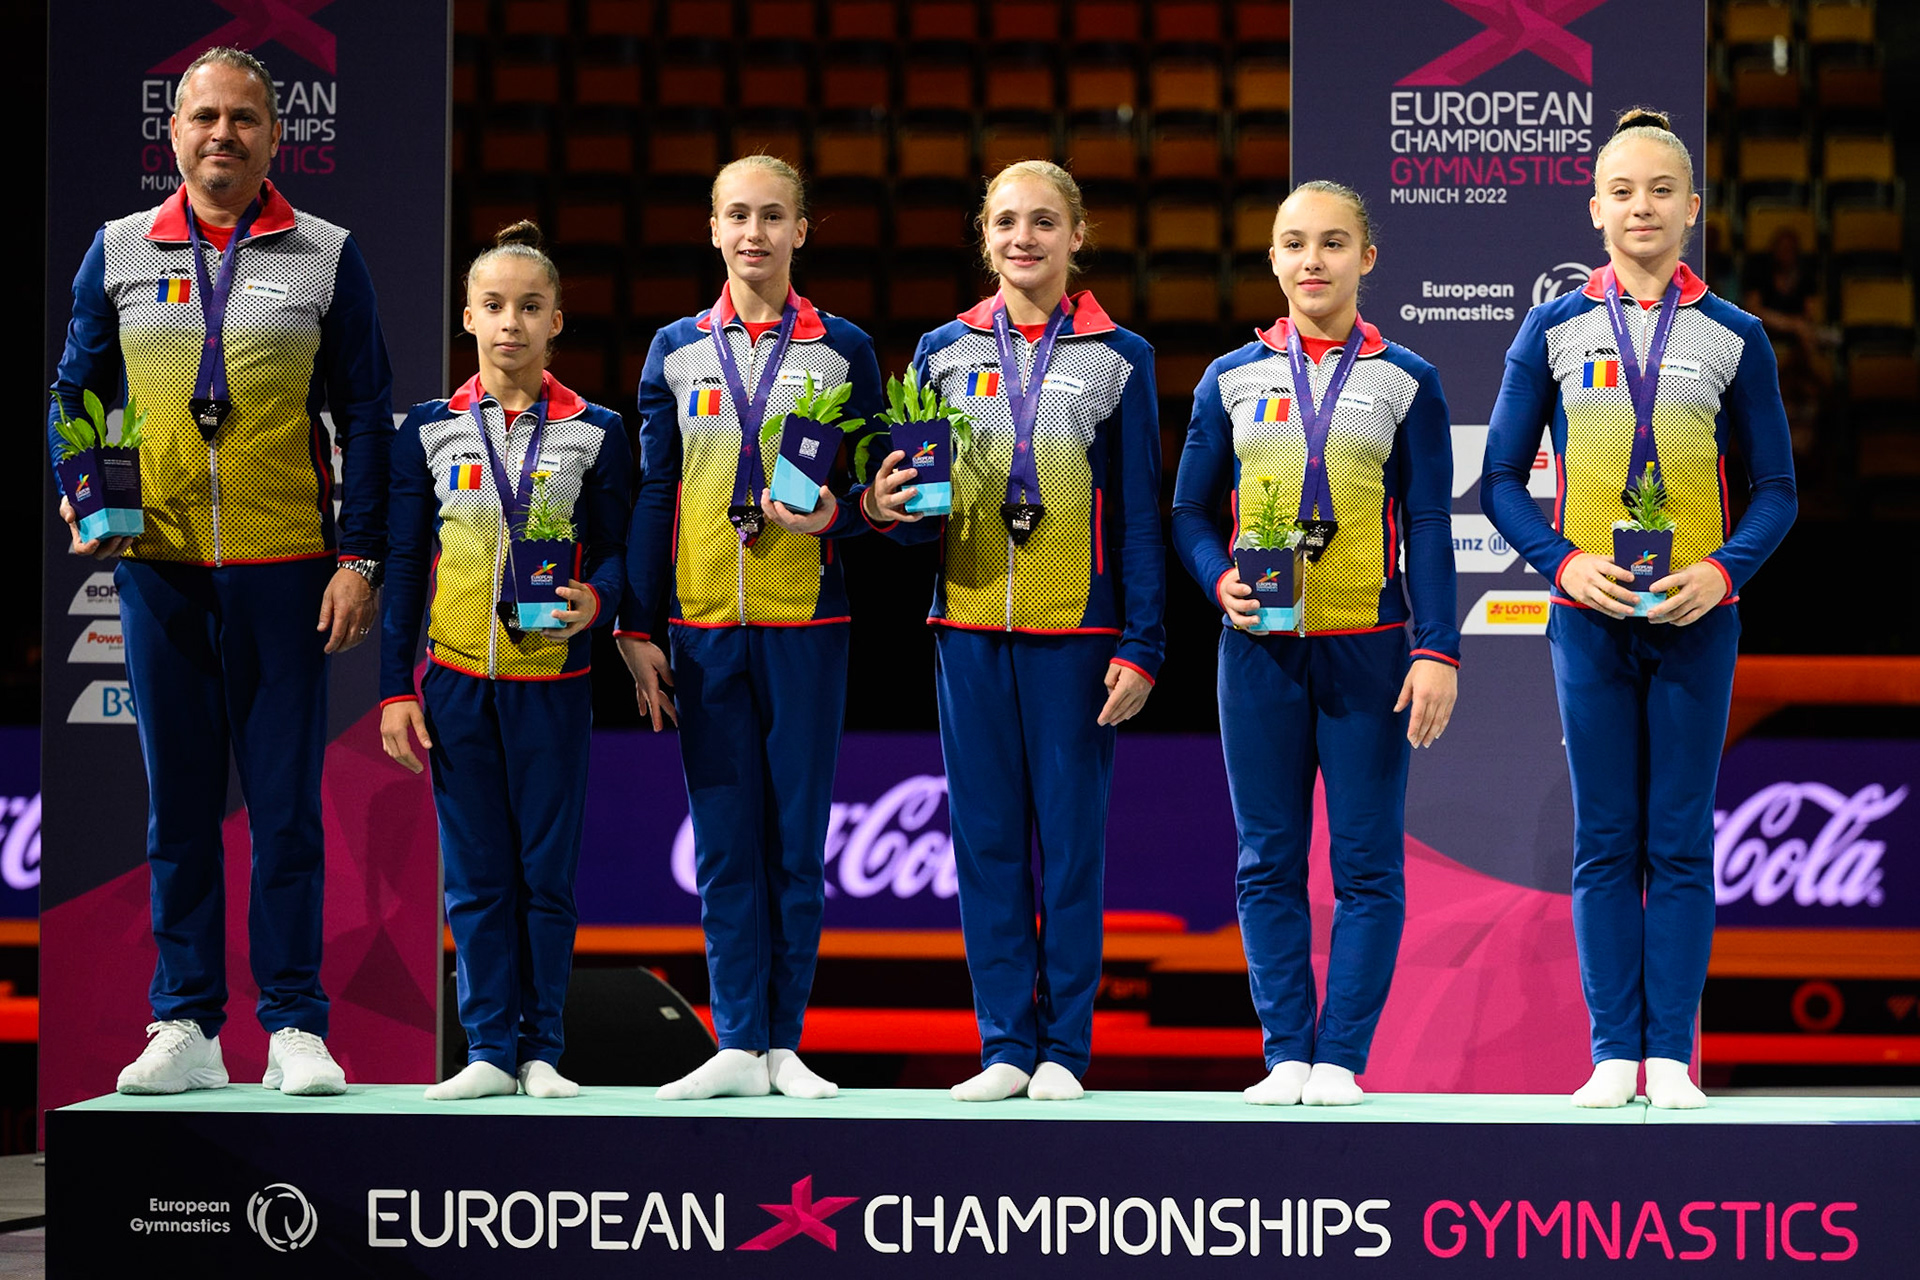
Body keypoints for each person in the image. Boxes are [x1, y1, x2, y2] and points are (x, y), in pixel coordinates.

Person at [48, 46, 393, 1097]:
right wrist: (77, 490)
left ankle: (294, 1021)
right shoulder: (114, 252)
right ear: (175, 132)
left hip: (285, 569)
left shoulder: (326, 253)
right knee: (180, 807)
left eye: (244, 118)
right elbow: (72, 391)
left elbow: (370, 413)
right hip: (157, 567)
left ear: (275, 137)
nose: (222, 135)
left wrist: (361, 556)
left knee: (285, 806)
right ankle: (185, 1018)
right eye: (204, 117)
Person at [1483, 108, 1796, 1109]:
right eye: (1623, 189)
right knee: (1606, 836)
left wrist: (1725, 569)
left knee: (1680, 838)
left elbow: (1780, 491)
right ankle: (1614, 1049)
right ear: (1595, 211)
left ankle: (1674, 1055)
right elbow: (1495, 480)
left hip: (1698, 619)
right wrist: (1563, 564)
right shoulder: (1554, 326)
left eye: (1662, 189)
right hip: (1590, 618)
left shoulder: (1735, 334)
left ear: (1693, 207)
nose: (1642, 206)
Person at [864, 160, 1165, 1102]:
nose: (1023, 238)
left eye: (1043, 221)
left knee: (1071, 845)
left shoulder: (1124, 356)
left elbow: (1142, 516)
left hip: (1077, 635)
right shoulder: (941, 350)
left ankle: (1064, 1052)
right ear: (984, 237)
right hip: (966, 625)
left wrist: (1143, 641)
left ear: (1079, 235)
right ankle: (1003, 1044)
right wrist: (884, 506)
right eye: (1005, 222)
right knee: (987, 843)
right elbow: (913, 511)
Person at [1171, 181, 1459, 1107]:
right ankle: (1285, 1052)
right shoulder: (1231, 378)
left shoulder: (1407, 378)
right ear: (1272, 259)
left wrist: (1437, 649)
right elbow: (1186, 513)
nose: (1313, 261)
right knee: (1266, 860)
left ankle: (1340, 1060)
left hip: (1368, 649)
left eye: (1333, 244)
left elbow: (1429, 525)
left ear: (1367, 258)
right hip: (1259, 647)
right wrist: (1220, 581)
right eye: (1294, 244)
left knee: (1368, 865)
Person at [619, 156, 884, 1101]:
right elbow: (656, 489)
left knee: (794, 841)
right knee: (727, 839)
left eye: (774, 217)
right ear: (714, 229)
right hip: (700, 624)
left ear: (801, 231)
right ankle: (736, 1039)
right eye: (738, 216)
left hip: (807, 620)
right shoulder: (674, 350)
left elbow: (876, 494)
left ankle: (784, 1044)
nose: (755, 234)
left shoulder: (845, 348)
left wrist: (841, 516)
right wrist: (636, 623)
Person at [379, 222, 629, 1100]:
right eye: (494, 307)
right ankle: (487, 1050)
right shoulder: (429, 431)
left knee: (544, 878)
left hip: (553, 684)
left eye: (529, 307)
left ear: (557, 319)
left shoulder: (596, 431)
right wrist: (391, 692)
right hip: (454, 684)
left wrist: (599, 601)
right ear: (468, 317)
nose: (511, 323)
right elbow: (406, 563)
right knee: (478, 878)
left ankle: (542, 1052)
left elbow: (619, 552)